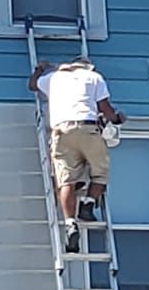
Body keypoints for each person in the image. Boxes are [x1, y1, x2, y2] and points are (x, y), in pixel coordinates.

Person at [28, 57, 125, 252]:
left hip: (61, 132)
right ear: (88, 67)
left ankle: (71, 223)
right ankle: (88, 204)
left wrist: (39, 69)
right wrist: (117, 119)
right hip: (87, 129)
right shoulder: (94, 77)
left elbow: (32, 85)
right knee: (100, 172)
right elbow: (104, 108)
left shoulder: (53, 78)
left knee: (66, 181)